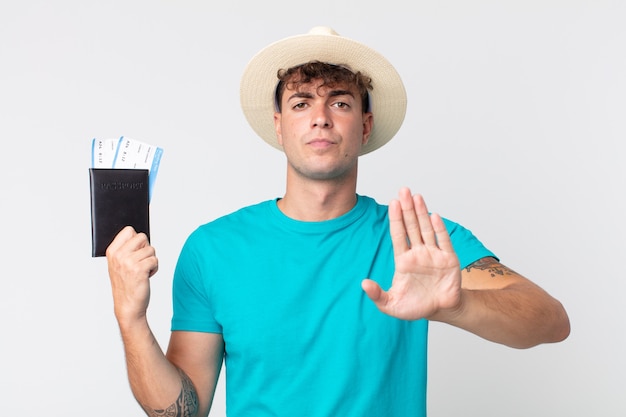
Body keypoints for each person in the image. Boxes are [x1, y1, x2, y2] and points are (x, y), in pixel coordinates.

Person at [106, 26, 570, 417]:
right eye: (302, 103)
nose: (321, 119)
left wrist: (455, 306)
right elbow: (183, 411)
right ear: (279, 125)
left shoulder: (421, 242)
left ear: (365, 126)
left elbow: (551, 321)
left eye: (341, 103)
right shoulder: (213, 248)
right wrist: (131, 319)